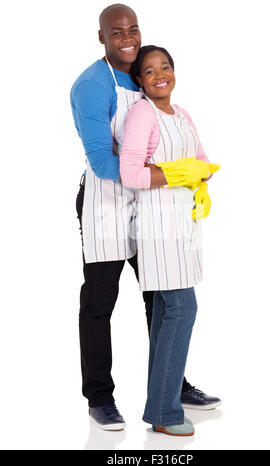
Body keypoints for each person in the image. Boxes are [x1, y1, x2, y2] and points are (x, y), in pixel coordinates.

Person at [70, 4, 220, 432]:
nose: (128, 39)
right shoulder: (92, 86)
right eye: (117, 33)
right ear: (102, 37)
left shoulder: (143, 74)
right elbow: (103, 161)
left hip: (151, 207)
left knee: (163, 297)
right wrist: (166, 173)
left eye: (133, 30)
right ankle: (99, 397)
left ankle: (171, 386)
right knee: (101, 302)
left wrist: (186, 177)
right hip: (105, 205)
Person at [119, 45, 221, 436]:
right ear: (140, 81)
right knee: (182, 308)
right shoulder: (142, 113)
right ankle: (163, 410)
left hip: (183, 222)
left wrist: (200, 175)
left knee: (166, 313)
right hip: (158, 224)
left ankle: (161, 402)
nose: (160, 74)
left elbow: (202, 159)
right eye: (149, 70)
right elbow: (130, 172)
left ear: (173, 72)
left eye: (165, 67)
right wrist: (179, 174)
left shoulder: (181, 114)